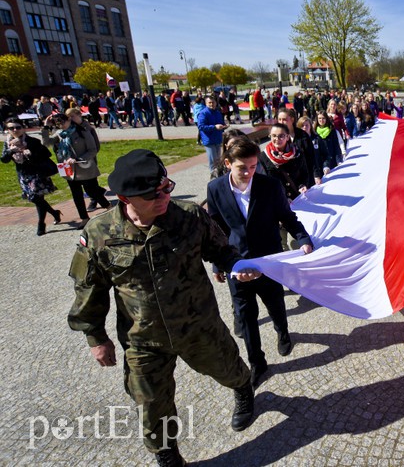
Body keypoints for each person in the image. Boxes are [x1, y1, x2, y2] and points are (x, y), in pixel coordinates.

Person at [67, 149, 261, 466]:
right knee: (151, 402)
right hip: (143, 339)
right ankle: (167, 453)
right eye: (152, 194)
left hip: (199, 325)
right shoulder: (100, 235)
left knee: (228, 368)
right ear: (124, 197)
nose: (163, 197)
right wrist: (96, 337)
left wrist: (237, 265)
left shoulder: (189, 216)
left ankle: (243, 389)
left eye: (166, 188)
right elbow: (90, 288)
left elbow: (221, 250)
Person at [207, 138, 314, 388]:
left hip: (269, 261)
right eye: (242, 167)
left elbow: (287, 217)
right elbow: (215, 227)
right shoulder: (215, 189)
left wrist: (303, 239)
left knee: (275, 303)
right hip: (236, 263)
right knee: (246, 316)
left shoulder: (270, 186)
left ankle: (283, 332)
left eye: (253, 167)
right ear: (227, 164)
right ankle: (257, 362)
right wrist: (217, 264)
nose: (248, 172)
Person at [41, 111, 110, 227]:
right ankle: (84, 218)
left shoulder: (82, 132)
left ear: (68, 120)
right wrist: (46, 126)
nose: (60, 125)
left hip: (85, 168)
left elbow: (92, 150)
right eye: (57, 124)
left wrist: (78, 158)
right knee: (77, 195)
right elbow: (46, 143)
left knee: (91, 191)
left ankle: (108, 207)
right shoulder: (60, 134)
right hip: (69, 170)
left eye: (62, 122)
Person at [2, 119, 61, 235]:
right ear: (7, 130)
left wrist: (30, 153)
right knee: (35, 199)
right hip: (23, 175)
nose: (15, 130)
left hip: (37, 173)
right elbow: (4, 160)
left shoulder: (32, 141)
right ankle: (54, 213)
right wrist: (10, 151)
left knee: (38, 198)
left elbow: (46, 154)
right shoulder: (8, 143)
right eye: (11, 128)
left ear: (23, 128)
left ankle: (41, 224)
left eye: (18, 127)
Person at [196, 95, 227, 172]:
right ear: (206, 103)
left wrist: (224, 127)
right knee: (213, 160)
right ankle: (213, 176)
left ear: (216, 103)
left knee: (218, 159)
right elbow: (201, 126)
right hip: (209, 140)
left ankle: (219, 175)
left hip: (218, 138)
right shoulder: (203, 113)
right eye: (209, 103)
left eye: (213, 102)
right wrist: (214, 127)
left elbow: (221, 123)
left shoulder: (218, 113)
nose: (211, 104)